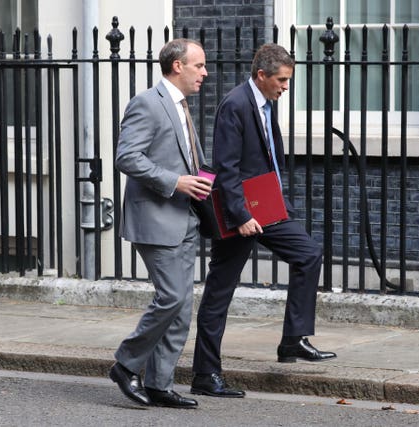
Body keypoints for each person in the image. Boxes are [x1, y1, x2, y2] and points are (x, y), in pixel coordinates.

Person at [190, 43, 336, 398]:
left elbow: (266, 157)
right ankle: (206, 375)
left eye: (288, 80)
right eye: (282, 80)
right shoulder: (236, 104)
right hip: (239, 211)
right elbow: (226, 167)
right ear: (261, 76)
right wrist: (240, 216)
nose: (286, 87)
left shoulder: (265, 102)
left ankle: (292, 340)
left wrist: (274, 200)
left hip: (265, 206)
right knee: (219, 293)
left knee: (308, 253)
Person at [109, 38, 212, 409]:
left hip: (184, 217)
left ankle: (159, 383)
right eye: (199, 66)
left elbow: (184, 159)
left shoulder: (181, 106)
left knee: (183, 306)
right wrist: (175, 181)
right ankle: (125, 364)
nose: (205, 72)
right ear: (177, 66)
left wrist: (199, 183)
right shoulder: (147, 104)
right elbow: (126, 156)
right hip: (155, 218)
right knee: (170, 297)